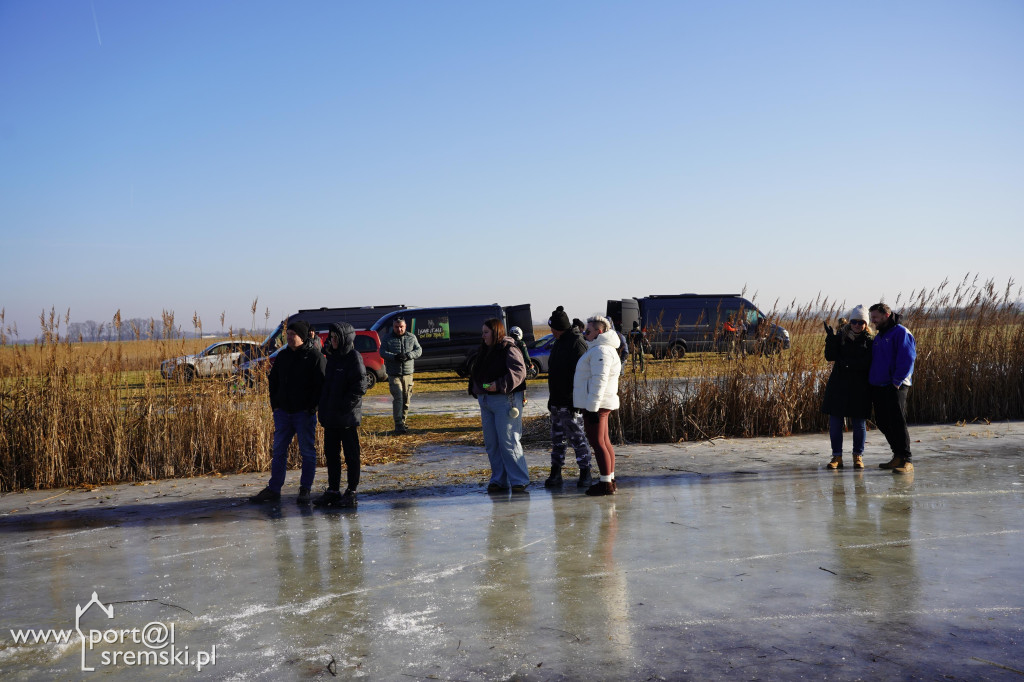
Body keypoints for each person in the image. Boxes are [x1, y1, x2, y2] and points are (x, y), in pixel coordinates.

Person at [250, 320, 327, 504]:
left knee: (307, 452)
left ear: (303, 336)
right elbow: (273, 381)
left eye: (294, 334)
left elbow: (321, 386)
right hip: (283, 413)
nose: (290, 338)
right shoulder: (283, 356)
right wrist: (275, 405)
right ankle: (274, 489)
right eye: (288, 334)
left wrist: (312, 408)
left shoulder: (315, 357)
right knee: (278, 451)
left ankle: (305, 489)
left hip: (304, 414)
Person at [469, 318, 529, 493]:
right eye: (482, 332)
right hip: (486, 402)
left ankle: (519, 480)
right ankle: (498, 480)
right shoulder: (484, 350)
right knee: (492, 443)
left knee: (508, 441)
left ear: (496, 332)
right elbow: (478, 373)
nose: (483, 336)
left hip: (505, 401)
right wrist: (477, 388)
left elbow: (519, 372)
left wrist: (499, 384)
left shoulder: (509, 348)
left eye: (486, 332)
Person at [313, 322, 368, 508]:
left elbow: (360, 386)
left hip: (346, 418)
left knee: (351, 456)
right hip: (331, 417)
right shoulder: (332, 357)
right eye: (331, 337)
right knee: (332, 455)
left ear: (344, 338)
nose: (332, 340)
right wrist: (324, 407)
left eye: (336, 337)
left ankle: (352, 491)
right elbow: (326, 385)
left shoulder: (353, 357)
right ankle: (333, 490)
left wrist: (344, 406)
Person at [543, 306, 592, 489]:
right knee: (558, 440)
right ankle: (556, 473)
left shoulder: (576, 343)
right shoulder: (558, 342)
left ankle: (586, 472)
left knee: (578, 438)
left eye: (553, 328)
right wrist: (552, 400)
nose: (551, 332)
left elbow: (583, 376)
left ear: (559, 328)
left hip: (571, 403)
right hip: (557, 402)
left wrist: (577, 401)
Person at [574, 315, 621, 496]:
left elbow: (599, 380)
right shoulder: (600, 349)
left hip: (597, 404)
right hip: (599, 403)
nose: (585, 334)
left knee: (597, 442)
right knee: (604, 441)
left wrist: (592, 407)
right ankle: (609, 479)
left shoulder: (601, 351)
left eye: (588, 331)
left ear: (599, 332)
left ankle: (605, 483)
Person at [821, 306, 873, 470]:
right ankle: (837, 456)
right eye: (854, 322)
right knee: (835, 423)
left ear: (866, 324)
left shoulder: (870, 341)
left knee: (859, 423)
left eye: (861, 322)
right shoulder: (841, 337)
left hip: (859, 387)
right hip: (839, 385)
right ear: (850, 322)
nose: (857, 325)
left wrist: (849, 364)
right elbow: (830, 356)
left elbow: (868, 362)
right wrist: (830, 339)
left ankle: (858, 455)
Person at [868, 303, 917, 474]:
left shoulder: (901, 332)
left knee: (897, 421)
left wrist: (896, 381)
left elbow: (908, 358)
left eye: (875, 317)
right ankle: (897, 455)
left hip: (896, 385)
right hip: (879, 385)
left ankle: (907, 460)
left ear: (886, 315)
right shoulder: (880, 336)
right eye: (871, 317)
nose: (873, 321)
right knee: (882, 421)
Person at [379, 316, 422, 435]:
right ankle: (398, 424)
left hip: (408, 373)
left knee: (406, 398)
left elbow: (419, 350)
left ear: (405, 326)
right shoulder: (387, 338)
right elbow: (382, 352)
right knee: (398, 397)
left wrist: (408, 355)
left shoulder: (411, 337)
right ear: (393, 327)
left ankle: (403, 421)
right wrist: (394, 357)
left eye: (401, 327)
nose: (399, 329)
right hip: (394, 374)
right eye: (396, 327)